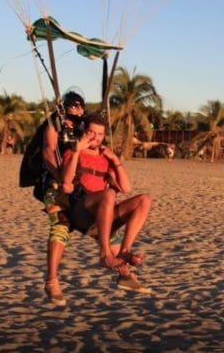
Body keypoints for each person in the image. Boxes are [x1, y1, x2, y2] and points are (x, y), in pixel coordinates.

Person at [62, 112, 152, 293]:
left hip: (104, 214)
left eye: (100, 134)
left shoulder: (105, 157)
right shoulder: (73, 152)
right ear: (84, 132)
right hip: (82, 212)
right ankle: (104, 254)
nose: (96, 138)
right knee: (109, 195)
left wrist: (115, 160)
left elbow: (126, 188)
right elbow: (66, 185)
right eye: (91, 132)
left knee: (144, 200)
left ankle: (124, 251)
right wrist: (77, 151)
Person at [40, 90, 86, 306]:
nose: (78, 109)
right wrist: (60, 179)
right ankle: (51, 281)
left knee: (104, 222)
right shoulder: (54, 125)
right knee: (61, 226)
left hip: (79, 187)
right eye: (74, 105)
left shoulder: (83, 128)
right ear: (65, 106)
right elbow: (49, 151)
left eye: (81, 105)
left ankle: (123, 270)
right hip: (55, 185)